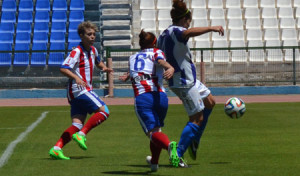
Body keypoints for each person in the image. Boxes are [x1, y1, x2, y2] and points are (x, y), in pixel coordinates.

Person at [157, 0, 224, 167]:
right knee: (196, 118)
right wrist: (211, 28)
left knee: (210, 102)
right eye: (189, 21)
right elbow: (187, 33)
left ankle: (195, 139)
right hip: (183, 81)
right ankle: (177, 155)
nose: (189, 25)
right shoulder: (178, 31)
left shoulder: (163, 34)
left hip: (189, 79)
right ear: (184, 19)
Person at [49, 21, 113, 160]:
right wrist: (76, 78)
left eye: (94, 34)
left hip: (77, 92)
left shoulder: (93, 50)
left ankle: (56, 148)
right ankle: (82, 135)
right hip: (79, 89)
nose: (92, 37)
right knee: (104, 111)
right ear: (81, 35)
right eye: (89, 34)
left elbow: (97, 61)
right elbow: (63, 68)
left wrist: (104, 68)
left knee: (77, 124)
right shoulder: (76, 51)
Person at [119, 30, 179, 171]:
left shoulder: (132, 58)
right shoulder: (157, 52)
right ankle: (154, 164)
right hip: (160, 97)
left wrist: (128, 76)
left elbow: (142, 68)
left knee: (152, 133)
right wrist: (169, 67)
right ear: (154, 43)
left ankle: (169, 146)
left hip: (143, 97)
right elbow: (159, 61)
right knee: (157, 130)